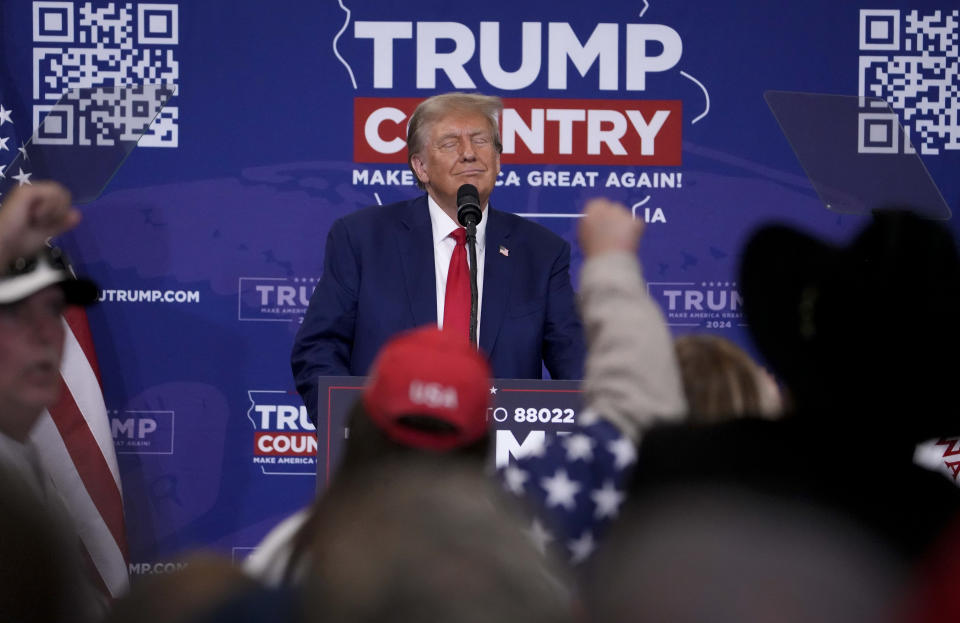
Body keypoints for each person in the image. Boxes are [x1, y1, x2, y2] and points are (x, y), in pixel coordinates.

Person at [292, 92, 585, 422]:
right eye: (450, 143)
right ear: (420, 167)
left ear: (499, 160)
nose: (469, 153)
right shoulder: (362, 239)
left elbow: (576, 364)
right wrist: (354, 431)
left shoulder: (541, 252)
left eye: (481, 141)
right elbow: (319, 349)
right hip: (387, 453)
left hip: (500, 459)